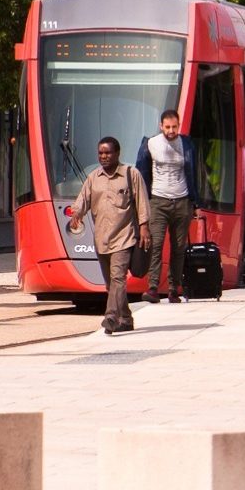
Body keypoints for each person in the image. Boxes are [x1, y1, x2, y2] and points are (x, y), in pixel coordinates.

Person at [69, 137, 150, 335]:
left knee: (118, 278)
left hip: (124, 236)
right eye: (101, 153)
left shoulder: (131, 174)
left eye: (108, 153)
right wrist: (76, 214)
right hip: (101, 239)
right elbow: (82, 200)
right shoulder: (93, 178)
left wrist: (144, 227)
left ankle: (111, 316)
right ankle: (127, 318)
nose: (104, 156)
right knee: (111, 284)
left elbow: (142, 202)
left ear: (117, 153)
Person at [133, 109, 198, 304]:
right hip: (158, 201)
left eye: (174, 127)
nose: (171, 131)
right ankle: (153, 288)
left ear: (179, 126)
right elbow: (141, 175)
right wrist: (141, 203)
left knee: (179, 248)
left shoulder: (186, 144)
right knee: (156, 244)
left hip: (182, 201)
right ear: (161, 126)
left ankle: (173, 289)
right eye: (167, 127)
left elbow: (194, 174)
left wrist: (195, 203)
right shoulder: (150, 144)